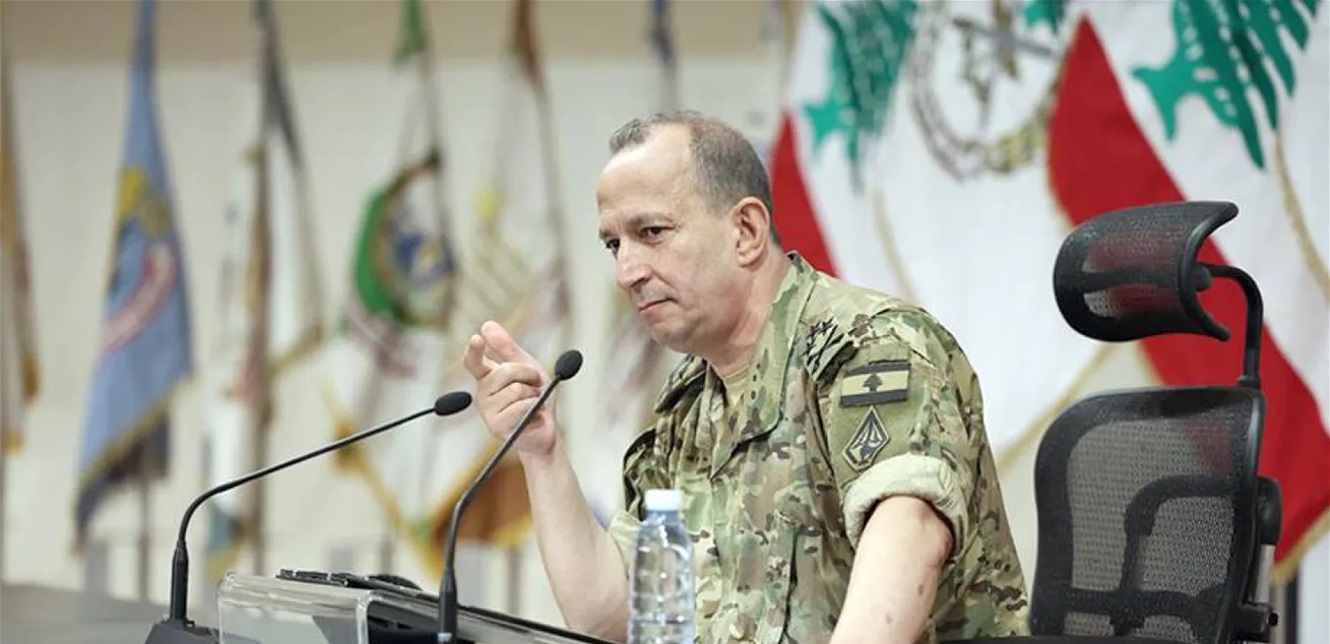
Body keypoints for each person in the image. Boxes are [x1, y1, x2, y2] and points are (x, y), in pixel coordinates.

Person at [462, 111, 1029, 644]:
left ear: (746, 231)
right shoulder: (688, 406)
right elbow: (616, 615)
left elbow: (910, 536)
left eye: (651, 232)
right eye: (614, 245)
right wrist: (541, 452)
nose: (626, 272)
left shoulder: (868, 348)